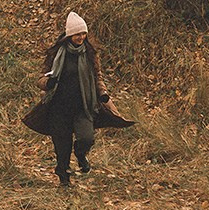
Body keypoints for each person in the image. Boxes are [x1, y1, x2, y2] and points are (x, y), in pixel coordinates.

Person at [22, 11, 132, 185]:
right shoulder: (56, 53)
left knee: (87, 138)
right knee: (62, 147)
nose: (81, 37)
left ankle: (81, 155)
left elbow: (97, 76)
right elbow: (40, 78)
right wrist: (48, 83)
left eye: (83, 33)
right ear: (69, 35)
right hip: (58, 108)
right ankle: (64, 179)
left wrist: (102, 93)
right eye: (77, 34)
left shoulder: (90, 53)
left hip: (83, 106)